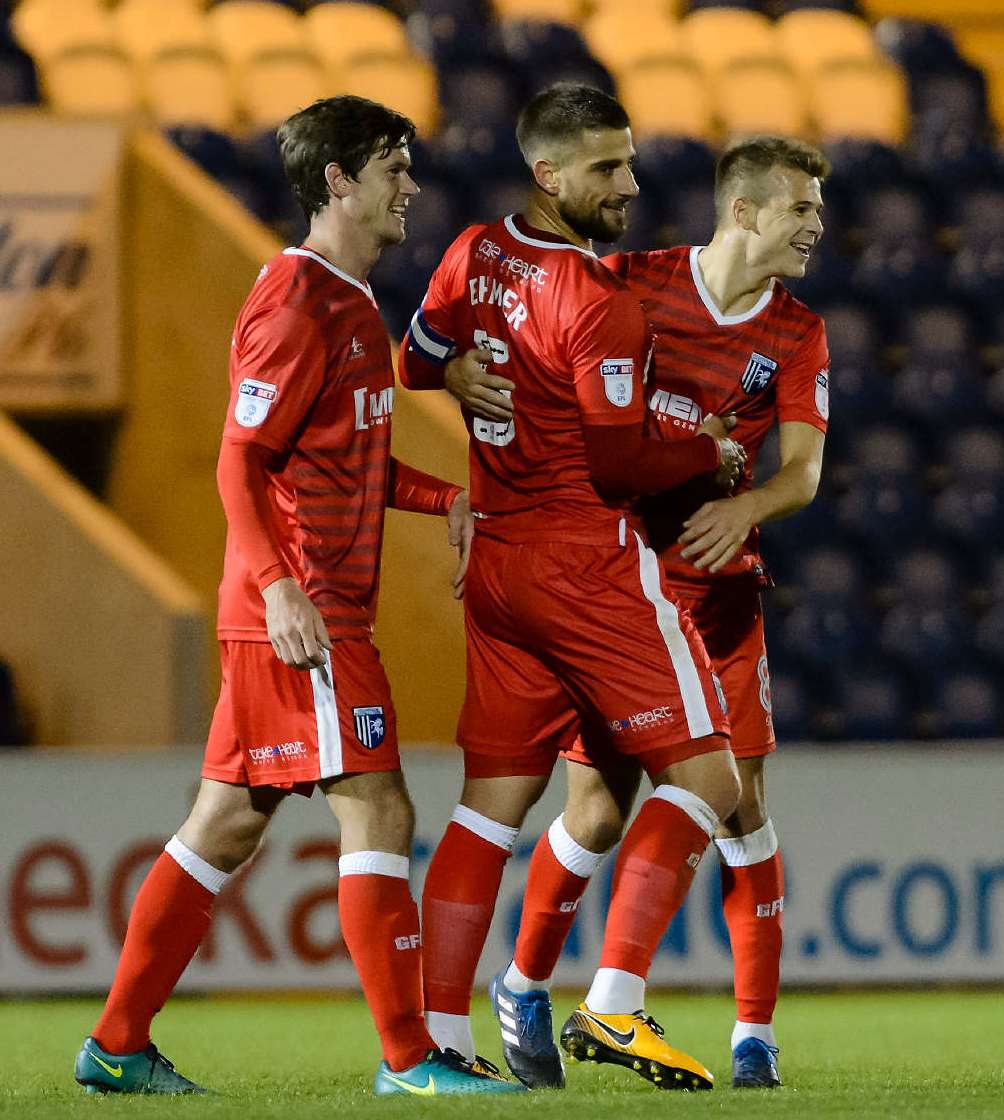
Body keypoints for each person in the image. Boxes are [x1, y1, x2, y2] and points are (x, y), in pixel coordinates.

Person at [72, 96, 520, 1097]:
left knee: (225, 823)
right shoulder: (294, 301)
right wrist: (279, 589)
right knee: (380, 807)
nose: (411, 185)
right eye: (393, 167)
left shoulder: (352, 304)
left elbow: (344, 464)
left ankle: (115, 1045)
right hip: (304, 609)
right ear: (338, 180)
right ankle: (409, 1060)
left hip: (304, 605)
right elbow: (239, 464)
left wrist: (446, 495)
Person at [433, 135, 831, 1091]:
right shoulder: (629, 284)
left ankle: (753, 1036)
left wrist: (743, 507)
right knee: (598, 809)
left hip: (720, 589)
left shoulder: (800, 330)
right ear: (743, 212)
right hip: (616, 581)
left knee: (743, 802)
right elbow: (525, 364)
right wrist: (448, 374)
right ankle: (530, 986)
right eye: (803, 210)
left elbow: (805, 473)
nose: (818, 226)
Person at [397, 83, 747, 1092]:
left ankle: (440, 1045)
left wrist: (459, 369)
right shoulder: (595, 302)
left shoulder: (473, 250)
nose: (629, 184)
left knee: (485, 813)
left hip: (497, 562)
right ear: (547, 173)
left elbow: (416, 358)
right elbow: (619, 461)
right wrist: (709, 448)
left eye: (629, 161)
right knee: (712, 780)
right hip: (581, 562)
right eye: (605, 167)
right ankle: (613, 1005)